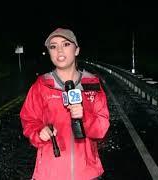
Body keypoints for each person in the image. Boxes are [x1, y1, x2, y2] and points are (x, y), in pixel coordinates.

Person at [20, 27, 110, 180]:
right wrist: (39, 132)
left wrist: (84, 117)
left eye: (66, 44)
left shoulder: (92, 84)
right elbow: (28, 120)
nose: (59, 51)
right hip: (50, 173)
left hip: (87, 173)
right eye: (53, 47)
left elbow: (101, 128)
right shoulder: (41, 85)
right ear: (49, 53)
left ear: (77, 50)